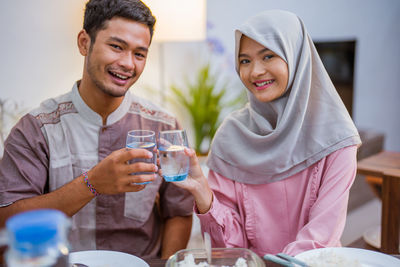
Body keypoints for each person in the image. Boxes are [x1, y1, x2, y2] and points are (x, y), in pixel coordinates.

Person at [0, 0, 193, 260]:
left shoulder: (164, 126)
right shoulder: (36, 129)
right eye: (116, 46)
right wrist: (91, 184)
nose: (128, 63)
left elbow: (178, 211)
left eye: (139, 54)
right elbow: (7, 218)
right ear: (84, 42)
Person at [174, 9, 362, 257]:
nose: (255, 72)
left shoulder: (337, 139)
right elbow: (230, 247)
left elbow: (319, 239)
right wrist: (203, 194)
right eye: (245, 60)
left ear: (295, 56)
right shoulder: (231, 136)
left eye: (268, 56)